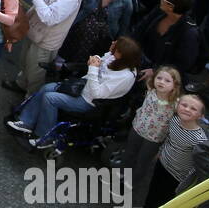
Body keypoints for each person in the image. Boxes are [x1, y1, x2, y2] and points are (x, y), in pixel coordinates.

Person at [10, 37, 141, 139]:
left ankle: (43, 134)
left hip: (89, 101)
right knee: (46, 88)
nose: (112, 43)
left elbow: (97, 93)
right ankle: (26, 122)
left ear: (121, 55)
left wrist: (93, 69)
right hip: (82, 88)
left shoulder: (124, 77)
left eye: (116, 46)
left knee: (50, 98)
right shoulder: (115, 58)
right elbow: (102, 59)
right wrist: (95, 60)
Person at [12, 0, 86, 95]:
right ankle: (20, 85)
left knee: (35, 74)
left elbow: (50, 18)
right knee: (24, 62)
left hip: (45, 40)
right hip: (33, 30)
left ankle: (27, 101)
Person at [120, 66, 182, 208]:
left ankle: (131, 183)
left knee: (143, 162)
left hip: (154, 139)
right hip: (137, 129)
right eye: (159, 78)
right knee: (129, 154)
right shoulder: (151, 91)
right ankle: (122, 175)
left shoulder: (176, 104)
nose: (161, 82)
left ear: (174, 85)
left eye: (167, 80)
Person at [142, 94, 208, 208]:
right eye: (184, 105)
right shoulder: (174, 120)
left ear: (200, 115)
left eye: (193, 108)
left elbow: (199, 162)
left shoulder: (199, 139)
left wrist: (187, 182)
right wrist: (160, 153)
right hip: (163, 162)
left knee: (163, 198)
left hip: (177, 175)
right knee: (153, 187)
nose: (187, 109)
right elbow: (169, 139)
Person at [61, 0, 133, 64]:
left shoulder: (126, 1)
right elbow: (76, 10)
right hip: (77, 35)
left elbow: (124, 26)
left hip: (102, 42)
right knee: (67, 62)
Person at [134, 0, 204, 80]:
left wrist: (155, 70)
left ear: (171, 7)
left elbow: (182, 64)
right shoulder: (160, 11)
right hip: (141, 58)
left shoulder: (189, 34)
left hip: (163, 75)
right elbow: (141, 27)